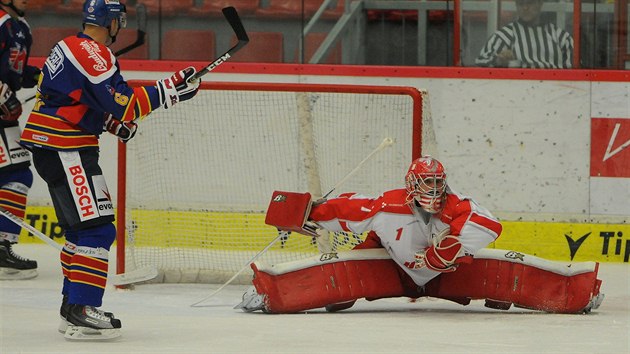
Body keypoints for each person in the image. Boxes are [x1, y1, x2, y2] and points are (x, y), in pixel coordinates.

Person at [19, 0, 200, 340]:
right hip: (67, 149)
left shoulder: (66, 46)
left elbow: (69, 100)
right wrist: (169, 89)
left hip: (51, 145)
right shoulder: (94, 53)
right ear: (110, 22)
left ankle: (71, 308)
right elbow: (128, 105)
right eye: (119, 20)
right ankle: (82, 310)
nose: (121, 26)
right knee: (98, 232)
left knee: (80, 232)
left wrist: (108, 123)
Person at [238, 156, 504, 312]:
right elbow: (349, 209)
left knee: (481, 271)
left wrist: (453, 244)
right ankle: (271, 293)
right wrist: (305, 212)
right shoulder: (388, 206)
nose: (433, 189)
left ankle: (500, 291)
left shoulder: (458, 206)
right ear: (411, 184)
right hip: (388, 266)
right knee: (349, 268)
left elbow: (491, 225)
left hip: (442, 276)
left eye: (437, 182)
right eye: (427, 182)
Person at [0, 0, 41, 280]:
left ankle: (2, 246)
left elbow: (16, 70)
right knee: (16, 174)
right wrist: (3, 96)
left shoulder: (21, 28)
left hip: (5, 120)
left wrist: (42, 77)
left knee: (16, 175)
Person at [475, 0, 574, 68]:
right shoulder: (503, 36)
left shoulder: (561, 37)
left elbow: (574, 70)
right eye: (521, 3)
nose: (525, 8)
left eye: (530, 2)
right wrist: (498, 60)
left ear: (540, 3)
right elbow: (481, 61)